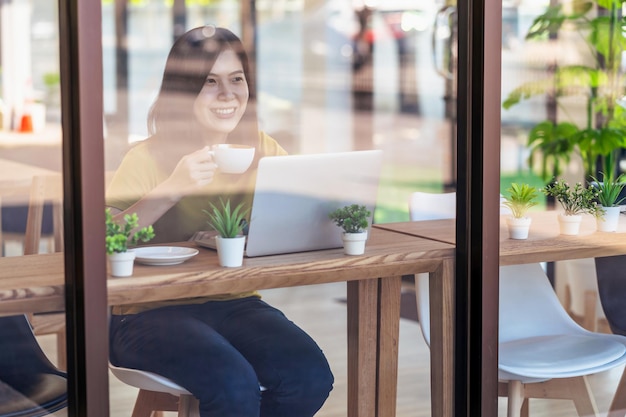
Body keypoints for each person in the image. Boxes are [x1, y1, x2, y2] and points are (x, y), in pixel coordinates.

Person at [106, 26, 334, 417]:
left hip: (235, 301)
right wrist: (172, 187)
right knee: (232, 384)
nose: (227, 95)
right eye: (209, 82)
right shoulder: (147, 157)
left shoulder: (263, 148)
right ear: (183, 89)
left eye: (236, 79)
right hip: (146, 312)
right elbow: (104, 239)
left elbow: (296, 219)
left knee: (309, 376)